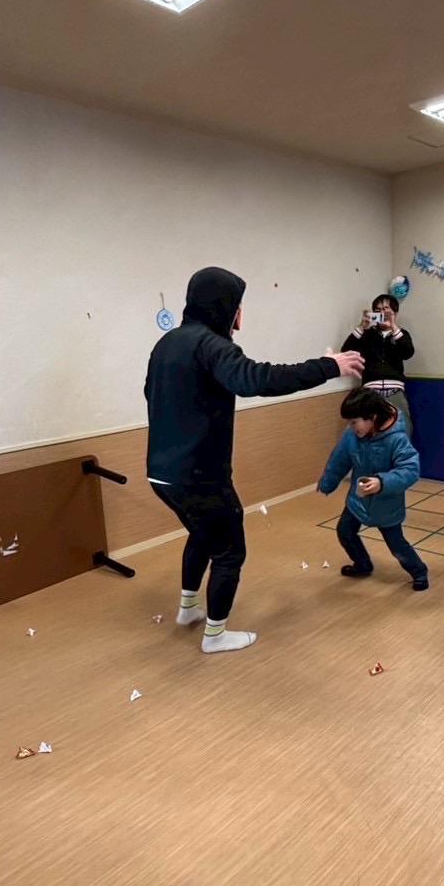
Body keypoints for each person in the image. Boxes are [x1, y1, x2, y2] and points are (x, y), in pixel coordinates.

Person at [145, 266, 364, 653]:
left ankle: (188, 610)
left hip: (161, 474)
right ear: (226, 306)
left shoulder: (167, 343)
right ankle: (215, 636)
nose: (240, 314)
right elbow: (256, 379)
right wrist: (328, 367)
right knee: (230, 550)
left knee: (202, 534)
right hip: (199, 476)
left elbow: (151, 393)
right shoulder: (212, 345)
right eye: (239, 305)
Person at [317, 389, 428, 590]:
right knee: (345, 532)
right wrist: (327, 483)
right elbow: (339, 459)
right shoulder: (352, 434)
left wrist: (381, 482)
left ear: (373, 417)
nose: (351, 427)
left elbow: (410, 470)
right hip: (357, 500)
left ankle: (419, 572)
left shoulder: (396, 439)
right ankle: (362, 564)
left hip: (387, 505)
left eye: (354, 422)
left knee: (397, 545)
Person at [341, 293, 416, 436]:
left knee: (403, 427)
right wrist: (362, 326)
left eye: (386, 310)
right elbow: (346, 351)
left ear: (395, 313)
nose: (382, 313)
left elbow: (408, 353)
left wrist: (393, 327)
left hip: (395, 390)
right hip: (370, 391)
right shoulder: (367, 335)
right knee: (367, 431)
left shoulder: (401, 334)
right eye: (377, 311)